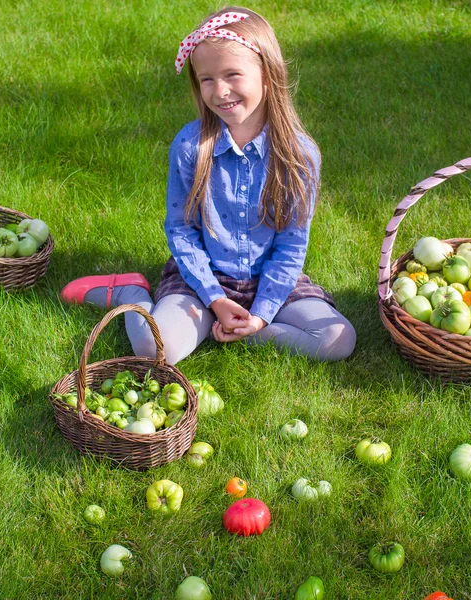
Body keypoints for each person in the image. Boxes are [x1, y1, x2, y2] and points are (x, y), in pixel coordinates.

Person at [61, 6, 356, 365]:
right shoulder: (190, 147)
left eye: (233, 74)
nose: (220, 91)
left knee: (337, 339)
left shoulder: (299, 155)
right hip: (202, 281)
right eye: (206, 79)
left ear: (268, 74)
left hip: (271, 278)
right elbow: (181, 230)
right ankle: (132, 293)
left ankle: (246, 331)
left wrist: (261, 314)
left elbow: (292, 244)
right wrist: (214, 298)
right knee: (156, 349)